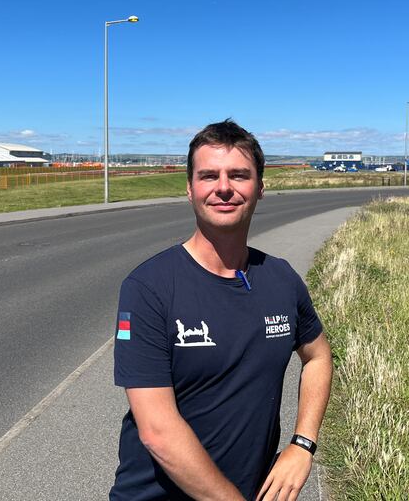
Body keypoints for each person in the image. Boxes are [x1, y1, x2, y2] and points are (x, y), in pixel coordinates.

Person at [110, 119, 333, 501]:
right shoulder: (148, 288)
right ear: (190, 189)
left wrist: (302, 445)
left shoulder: (280, 278)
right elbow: (157, 431)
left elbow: (319, 357)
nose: (224, 187)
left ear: (260, 188)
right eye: (209, 175)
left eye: (239, 175)